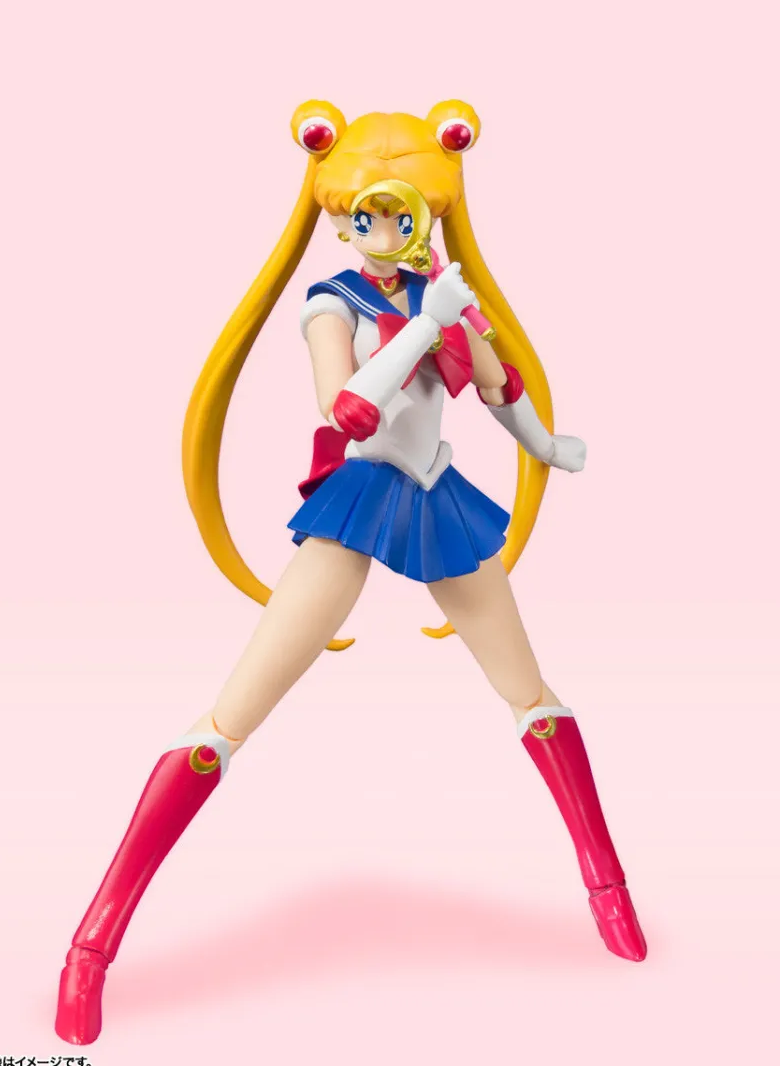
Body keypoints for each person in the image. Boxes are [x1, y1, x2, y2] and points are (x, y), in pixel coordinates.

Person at [55, 99, 646, 1047]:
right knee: (231, 716)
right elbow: (348, 408)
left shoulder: (442, 291)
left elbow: (497, 387)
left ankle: (609, 889)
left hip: (438, 497)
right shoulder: (336, 301)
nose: (385, 228)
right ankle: (91, 946)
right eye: (368, 213)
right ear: (340, 218)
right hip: (359, 496)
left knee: (531, 694)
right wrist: (424, 325)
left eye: (404, 212)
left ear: (432, 212)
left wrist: (544, 442)